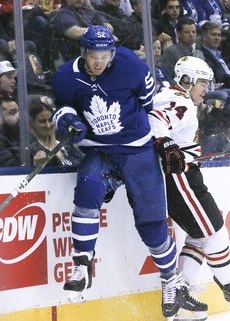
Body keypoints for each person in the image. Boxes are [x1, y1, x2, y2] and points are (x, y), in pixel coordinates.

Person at [51, 25, 208, 319]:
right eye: (93, 55)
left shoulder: (131, 66)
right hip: (99, 151)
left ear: (112, 53)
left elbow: (148, 104)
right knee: (87, 187)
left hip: (137, 150)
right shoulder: (65, 76)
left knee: (151, 224)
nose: (98, 62)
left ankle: (171, 280)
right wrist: (69, 120)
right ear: (83, 52)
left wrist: (156, 139)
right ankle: (82, 264)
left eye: (104, 55)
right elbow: (61, 109)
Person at [148, 56, 230, 320]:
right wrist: (164, 144)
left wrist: (207, 114)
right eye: (202, 83)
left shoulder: (183, 100)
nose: (206, 89)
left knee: (200, 235)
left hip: (186, 174)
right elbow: (155, 123)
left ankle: (181, 294)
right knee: (213, 232)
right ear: (186, 80)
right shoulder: (176, 99)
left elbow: (184, 127)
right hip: (179, 176)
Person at [29, 95, 83, 167]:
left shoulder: (66, 145)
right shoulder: (32, 150)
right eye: (42, 121)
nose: (48, 125)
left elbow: (80, 164)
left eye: (50, 120)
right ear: (32, 123)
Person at [160, 16, 205, 84]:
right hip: (179, 91)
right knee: (221, 94)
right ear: (178, 34)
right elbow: (166, 77)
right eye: (187, 32)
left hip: (200, 90)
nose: (191, 35)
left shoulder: (199, 54)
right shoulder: (171, 52)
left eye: (194, 32)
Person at [200, 21, 230, 90]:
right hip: (220, 88)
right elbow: (217, 74)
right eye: (213, 35)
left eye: (219, 35)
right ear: (204, 37)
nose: (217, 38)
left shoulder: (222, 54)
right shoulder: (202, 54)